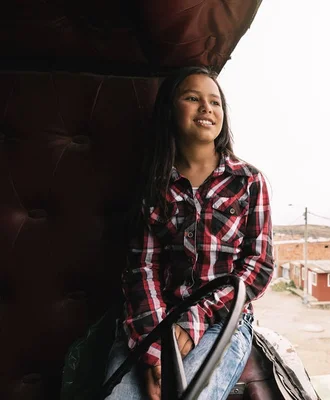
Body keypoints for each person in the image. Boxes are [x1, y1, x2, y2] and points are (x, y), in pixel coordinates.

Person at [104, 66, 274, 400]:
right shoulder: (153, 186)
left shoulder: (249, 182)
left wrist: (194, 321)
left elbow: (258, 267)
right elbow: (143, 268)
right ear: (170, 109)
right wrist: (155, 351)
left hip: (222, 321)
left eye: (215, 102)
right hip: (153, 319)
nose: (206, 108)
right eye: (192, 98)